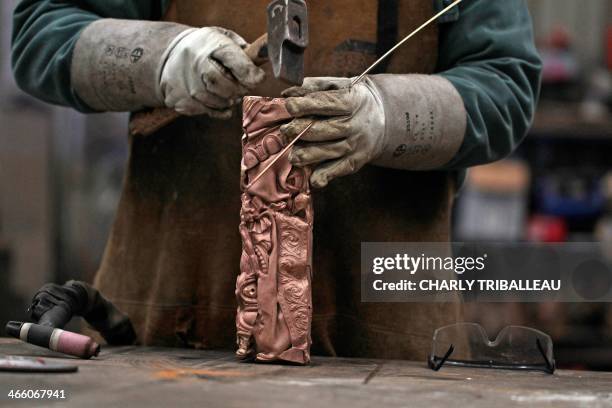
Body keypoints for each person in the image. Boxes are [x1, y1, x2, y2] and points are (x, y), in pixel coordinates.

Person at [12, 0, 541, 358]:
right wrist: (160, 58)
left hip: (390, 336)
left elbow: (504, 85)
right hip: (165, 325)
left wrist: (392, 114)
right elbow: (43, 32)